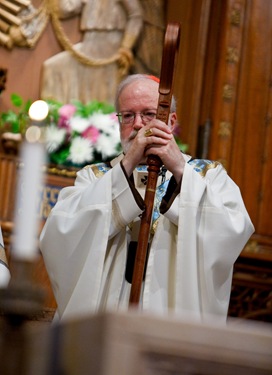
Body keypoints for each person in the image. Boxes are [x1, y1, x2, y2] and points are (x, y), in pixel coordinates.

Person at [40, 74, 254, 322]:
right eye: (128, 116)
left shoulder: (208, 176)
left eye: (149, 114)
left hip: (172, 318)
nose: (139, 125)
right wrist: (128, 162)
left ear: (171, 122)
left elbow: (233, 229)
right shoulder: (95, 178)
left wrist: (181, 170)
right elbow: (58, 235)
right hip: (106, 315)